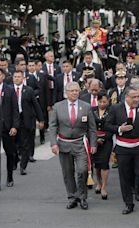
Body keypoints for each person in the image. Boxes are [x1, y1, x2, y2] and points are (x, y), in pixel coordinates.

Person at [105, 84, 139, 215]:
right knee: (125, 177)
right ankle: (129, 203)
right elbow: (107, 125)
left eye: (138, 97)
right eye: (134, 97)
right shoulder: (116, 108)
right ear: (126, 97)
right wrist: (119, 129)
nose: (136, 100)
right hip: (123, 147)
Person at [49, 82, 97, 210]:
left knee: (82, 170)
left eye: (77, 90)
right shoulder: (58, 107)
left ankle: (82, 197)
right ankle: (72, 197)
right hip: (64, 144)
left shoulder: (86, 107)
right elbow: (52, 126)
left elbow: (92, 128)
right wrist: (53, 143)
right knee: (68, 172)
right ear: (66, 92)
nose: (75, 93)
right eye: (72, 91)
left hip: (80, 143)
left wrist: (93, 144)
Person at [0, 68, 19, 192]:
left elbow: (15, 109)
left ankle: (9, 177)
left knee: (10, 153)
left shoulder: (10, 90)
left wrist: (14, 126)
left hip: (7, 127)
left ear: (3, 76)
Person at [12, 70, 44, 175]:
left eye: (19, 77)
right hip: (12, 120)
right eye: (15, 76)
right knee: (13, 143)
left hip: (25, 119)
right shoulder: (9, 90)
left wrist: (41, 120)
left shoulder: (29, 90)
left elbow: (36, 105)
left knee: (24, 144)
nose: (17, 78)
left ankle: (23, 166)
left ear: (23, 78)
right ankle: (15, 159)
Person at [92, 92, 113, 200]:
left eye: (104, 102)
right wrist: (95, 138)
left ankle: (104, 186)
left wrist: (104, 138)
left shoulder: (111, 111)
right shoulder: (92, 110)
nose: (102, 104)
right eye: (100, 101)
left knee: (104, 163)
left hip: (107, 140)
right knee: (97, 164)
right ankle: (98, 183)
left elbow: (112, 126)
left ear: (108, 101)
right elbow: (90, 126)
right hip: (94, 140)